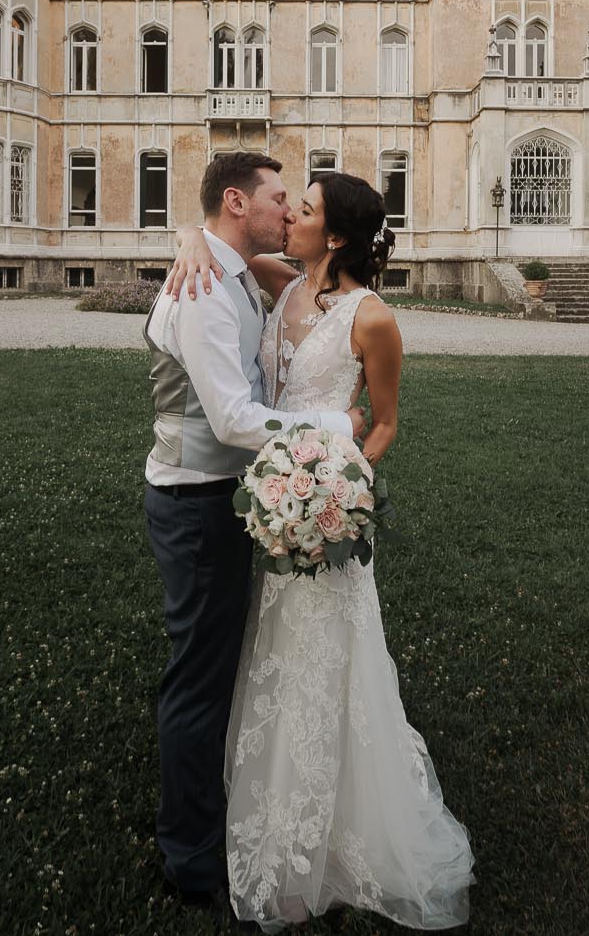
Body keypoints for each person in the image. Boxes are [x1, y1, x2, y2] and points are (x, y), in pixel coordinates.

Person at [167, 170, 474, 931]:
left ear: (333, 235)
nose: (287, 219)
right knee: (269, 660)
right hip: (277, 511)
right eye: (288, 205)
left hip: (323, 517)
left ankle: (340, 836)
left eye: (301, 210)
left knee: (332, 675)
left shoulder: (373, 318)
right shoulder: (283, 283)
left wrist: (341, 493)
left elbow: (384, 421)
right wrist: (184, 240)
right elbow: (216, 244)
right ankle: (272, 818)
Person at [142, 153, 368, 916]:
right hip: (196, 498)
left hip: (223, 496)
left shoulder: (236, 270)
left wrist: (191, 233)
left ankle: (220, 814)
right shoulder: (207, 289)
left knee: (216, 664)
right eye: (278, 199)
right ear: (239, 203)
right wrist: (337, 425)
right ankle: (189, 855)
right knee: (199, 678)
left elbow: (266, 260)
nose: (287, 213)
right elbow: (235, 419)